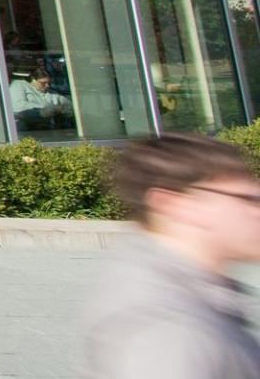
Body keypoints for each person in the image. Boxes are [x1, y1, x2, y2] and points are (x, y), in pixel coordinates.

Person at [82, 133, 260, 378]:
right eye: (249, 199)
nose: (256, 211)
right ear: (174, 205)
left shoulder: (199, 300)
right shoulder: (168, 330)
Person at [9, 72, 74, 131]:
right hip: (26, 128)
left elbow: (67, 105)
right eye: (43, 83)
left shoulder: (50, 93)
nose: (47, 86)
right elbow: (17, 106)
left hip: (48, 129)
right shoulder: (19, 84)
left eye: (49, 83)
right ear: (33, 80)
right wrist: (45, 109)